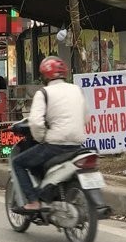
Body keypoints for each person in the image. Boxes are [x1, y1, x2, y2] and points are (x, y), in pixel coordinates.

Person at [12, 56, 88, 213]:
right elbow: (86, 118)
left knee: (18, 163)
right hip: (78, 146)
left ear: (44, 75)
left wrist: (41, 138)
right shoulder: (76, 90)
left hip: (56, 146)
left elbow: (36, 123)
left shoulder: (44, 93)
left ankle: (33, 202)